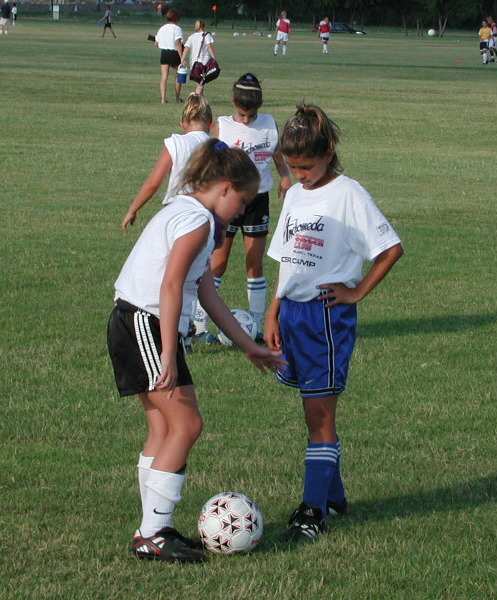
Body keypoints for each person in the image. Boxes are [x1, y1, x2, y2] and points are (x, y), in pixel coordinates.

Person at [108, 138, 286, 563]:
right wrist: (169, 352)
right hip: (146, 322)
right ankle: (152, 534)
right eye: (242, 201)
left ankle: (154, 529)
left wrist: (249, 347)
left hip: (138, 321)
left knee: (163, 427)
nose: (242, 211)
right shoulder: (197, 223)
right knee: (187, 424)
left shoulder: (192, 214)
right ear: (224, 188)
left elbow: (207, 293)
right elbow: (170, 285)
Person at [264, 104, 404, 542]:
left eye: (306, 166)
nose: (300, 174)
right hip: (292, 314)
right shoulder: (294, 194)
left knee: (319, 414)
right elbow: (286, 257)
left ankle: (313, 511)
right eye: (293, 167)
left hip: (325, 317)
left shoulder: (349, 194)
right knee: (313, 407)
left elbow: (391, 249)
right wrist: (272, 310)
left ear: (328, 153)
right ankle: (334, 494)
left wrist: (356, 291)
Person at [203, 73, 291, 341]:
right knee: (218, 263)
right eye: (241, 114)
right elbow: (207, 161)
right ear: (233, 101)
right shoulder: (222, 126)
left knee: (254, 263)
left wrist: (285, 176)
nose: (245, 119)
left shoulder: (269, 124)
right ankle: (199, 326)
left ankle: (256, 324)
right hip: (227, 201)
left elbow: (277, 157)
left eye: (250, 114)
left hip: (257, 200)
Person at [121, 94, 212, 231]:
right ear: (210, 122)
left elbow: (153, 183)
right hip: (207, 215)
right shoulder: (219, 146)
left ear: (183, 122)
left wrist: (133, 209)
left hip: (178, 213)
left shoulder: (176, 143)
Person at [155, 9, 184, 104]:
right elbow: (178, 43)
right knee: (178, 76)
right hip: (174, 53)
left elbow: (156, 44)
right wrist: (182, 58)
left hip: (164, 53)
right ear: (176, 18)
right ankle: (177, 98)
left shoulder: (162, 28)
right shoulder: (177, 28)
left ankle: (163, 99)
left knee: (164, 76)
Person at [181, 19, 216, 97]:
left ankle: (200, 99)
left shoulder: (192, 36)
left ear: (199, 26)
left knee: (200, 82)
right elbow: (209, 47)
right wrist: (214, 59)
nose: (195, 26)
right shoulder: (207, 35)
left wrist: (182, 60)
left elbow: (186, 49)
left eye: (196, 24)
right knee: (201, 83)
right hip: (203, 63)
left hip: (194, 64)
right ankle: (195, 98)